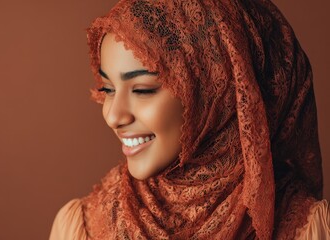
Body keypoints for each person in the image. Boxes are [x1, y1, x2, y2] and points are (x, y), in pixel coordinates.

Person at [50, 0, 329, 239]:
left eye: (143, 90)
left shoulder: (306, 229)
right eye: (108, 90)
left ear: (216, 96)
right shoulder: (83, 229)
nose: (113, 116)